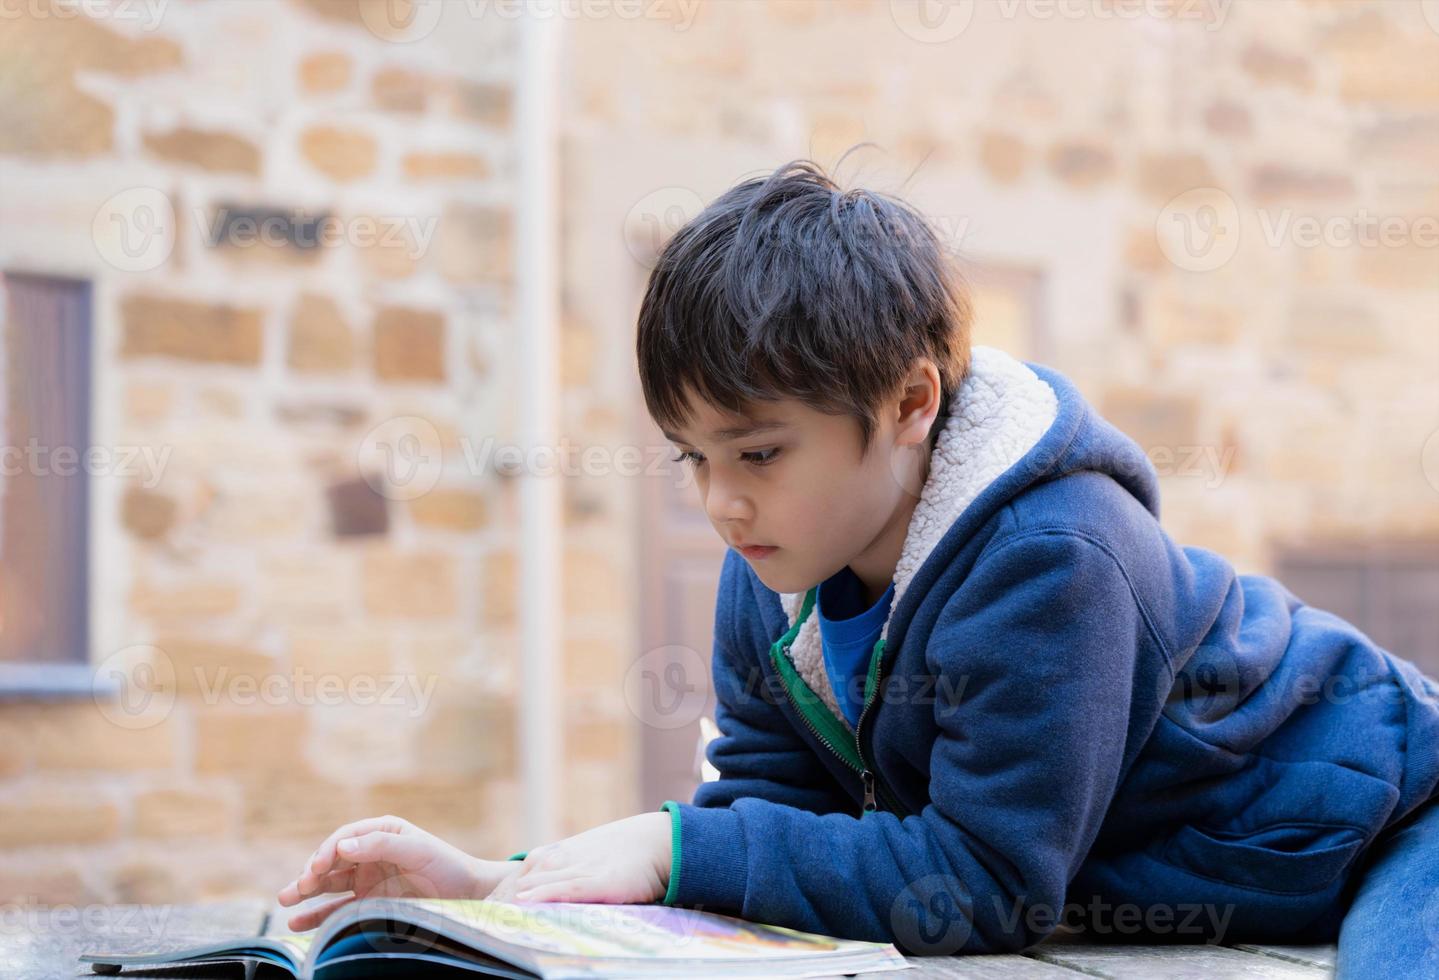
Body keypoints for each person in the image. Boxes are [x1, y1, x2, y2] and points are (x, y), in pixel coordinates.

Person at [277, 158, 1439, 969]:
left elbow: (981, 883)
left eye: (759, 450)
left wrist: (672, 842)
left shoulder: (1056, 556)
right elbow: (769, 831)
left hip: (1399, 812)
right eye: (693, 455)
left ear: (909, 403)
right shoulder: (775, 561)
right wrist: (501, 883)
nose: (719, 499)